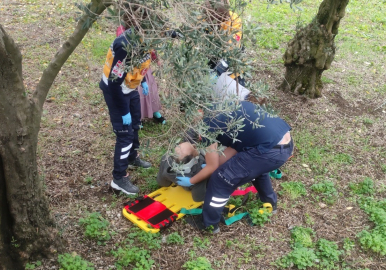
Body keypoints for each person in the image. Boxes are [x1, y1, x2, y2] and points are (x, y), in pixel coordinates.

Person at [171, 101, 293, 232]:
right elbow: (235, 147)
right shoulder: (225, 103)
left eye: (191, 118)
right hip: (284, 144)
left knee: (221, 179)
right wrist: (215, 164)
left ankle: (209, 223)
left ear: (199, 110)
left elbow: (212, 167)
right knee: (256, 168)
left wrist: (191, 181)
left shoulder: (207, 125)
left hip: (269, 152)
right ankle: (270, 201)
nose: (192, 123)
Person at [99, 10, 153, 195]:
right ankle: (119, 178)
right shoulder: (125, 45)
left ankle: (132, 156)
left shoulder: (146, 38)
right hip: (116, 91)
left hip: (130, 88)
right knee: (125, 135)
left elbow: (140, 63)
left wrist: (143, 82)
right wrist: (123, 111)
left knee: (136, 123)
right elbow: (114, 83)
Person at [116, 26, 166, 125]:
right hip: (132, 69)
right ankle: (138, 117)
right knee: (137, 94)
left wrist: (156, 59)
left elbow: (150, 47)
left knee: (151, 89)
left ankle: (154, 111)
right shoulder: (123, 30)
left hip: (145, 67)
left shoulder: (146, 28)